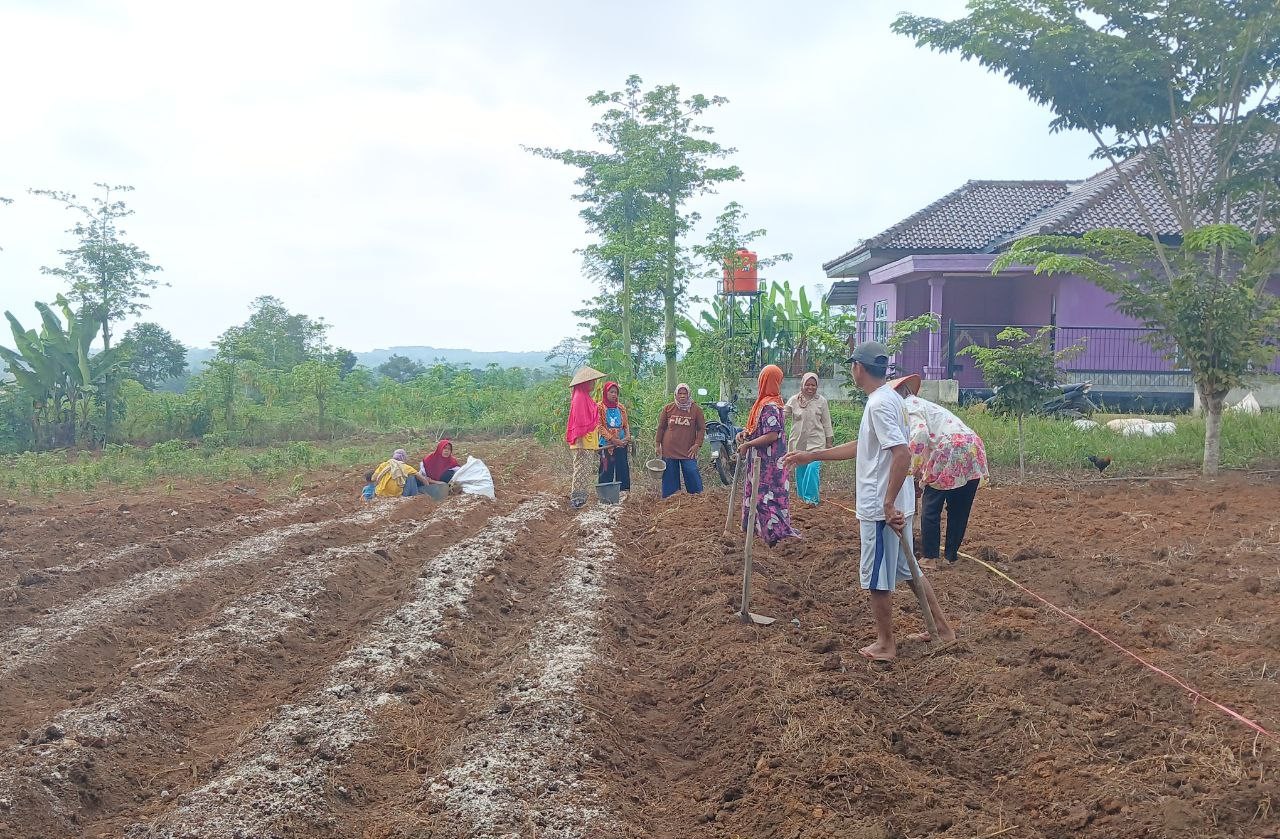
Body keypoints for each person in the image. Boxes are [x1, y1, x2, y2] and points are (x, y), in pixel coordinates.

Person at [781, 342, 953, 662]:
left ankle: (886, 644)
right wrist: (813, 454)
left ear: (858, 368)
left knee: (877, 577)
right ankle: (942, 629)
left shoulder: (879, 404)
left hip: (881, 507)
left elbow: (901, 453)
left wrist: (887, 504)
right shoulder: (888, 400)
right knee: (910, 570)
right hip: (895, 502)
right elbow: (866, 445)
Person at [890, 374, 989, 568]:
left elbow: (919, 434)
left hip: (949, 448)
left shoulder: (908, 407)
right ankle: (951, 556)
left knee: (931, 505)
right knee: (959, 507)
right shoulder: (926, 405)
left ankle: (930, 557)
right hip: (973, 446)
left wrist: (913, 471)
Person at [737, 364, 800, 546]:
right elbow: (758, 429)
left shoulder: (770, 406)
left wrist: (748, 444)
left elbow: (772, 435)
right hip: (762, 459)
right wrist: (746, 433)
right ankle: (756, 531)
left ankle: (771, 535)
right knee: (760, 494)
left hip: (769, 463)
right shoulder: (764, 404)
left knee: (767, 496)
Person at [784, 371, 834, 505]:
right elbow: (782, 415)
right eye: (808, 384)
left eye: (814, 385)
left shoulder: (821, 401)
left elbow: (826, 423)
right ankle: (802, 500)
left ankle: (811, 499)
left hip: (816, 442)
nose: (810, 387)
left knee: (813, 467)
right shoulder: (794, 400)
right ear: (802, 385)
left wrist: (829, 443)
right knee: (801, 470)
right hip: (798, 442)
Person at [655, 383, 705, 498]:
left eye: (685, 393)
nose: (682, 396)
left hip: (688, 450)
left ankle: (697, 499)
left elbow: (701, 428)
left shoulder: (696, 410)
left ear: (689, 394)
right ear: (675, 395)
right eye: (680, 393)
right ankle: (671, 501)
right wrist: (657, 445)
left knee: (692, 472)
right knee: (670, 479)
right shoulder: (668, 408)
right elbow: (661, 427)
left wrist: (697, 444)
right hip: (669, 450)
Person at [566, 366, 605, 509]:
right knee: (581, 470)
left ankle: (582, 498)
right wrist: (581, 442)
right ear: (584, 383)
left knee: (585, 470)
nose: (594, 384)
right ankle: (577, 499)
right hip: (582, 441)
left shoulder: (585, 397)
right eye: (592, 381)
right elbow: (579, 422)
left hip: (587, 441)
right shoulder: (580, 398)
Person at [597, 381, 631, 493]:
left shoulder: (621, 407)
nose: (614, 394)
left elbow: (625, 425)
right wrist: (612, 439)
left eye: (616, 392)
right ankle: (605, 495)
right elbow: (600, 426)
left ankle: (623, 494)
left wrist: (627, 436)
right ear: (605, 393)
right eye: (611, 392)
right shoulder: (600, 407)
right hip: (606, 445)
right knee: (606, 469)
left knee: (622, 468)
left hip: (621, 444)